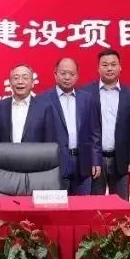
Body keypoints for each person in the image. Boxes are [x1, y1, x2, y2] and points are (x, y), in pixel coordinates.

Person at [40, 58, 101, 195]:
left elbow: (95, 132)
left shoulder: (87, 99)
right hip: (54, 164)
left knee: (82, 205)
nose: (67, 77)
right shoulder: (42, 99)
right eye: (63, 73)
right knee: (56, 206)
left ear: (77, 76)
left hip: (82, 162)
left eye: (71, 74)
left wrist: (96, 160)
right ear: (55, 74)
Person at [86, 49, 130, 200]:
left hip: (121, 160)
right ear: (98, 68)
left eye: (113, 64)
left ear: (120, 67)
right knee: (94, 206)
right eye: (105, 65)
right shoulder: (86, 93)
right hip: (94, 161)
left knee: (121, 206)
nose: (109, 68)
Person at [0, 64, 51, 144]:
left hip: (34, 152)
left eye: (25, 78)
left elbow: (49, 141)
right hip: (5, 152)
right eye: (16, 78)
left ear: (32, 83)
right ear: (10, 83)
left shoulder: (44, 108)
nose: (20, 82)